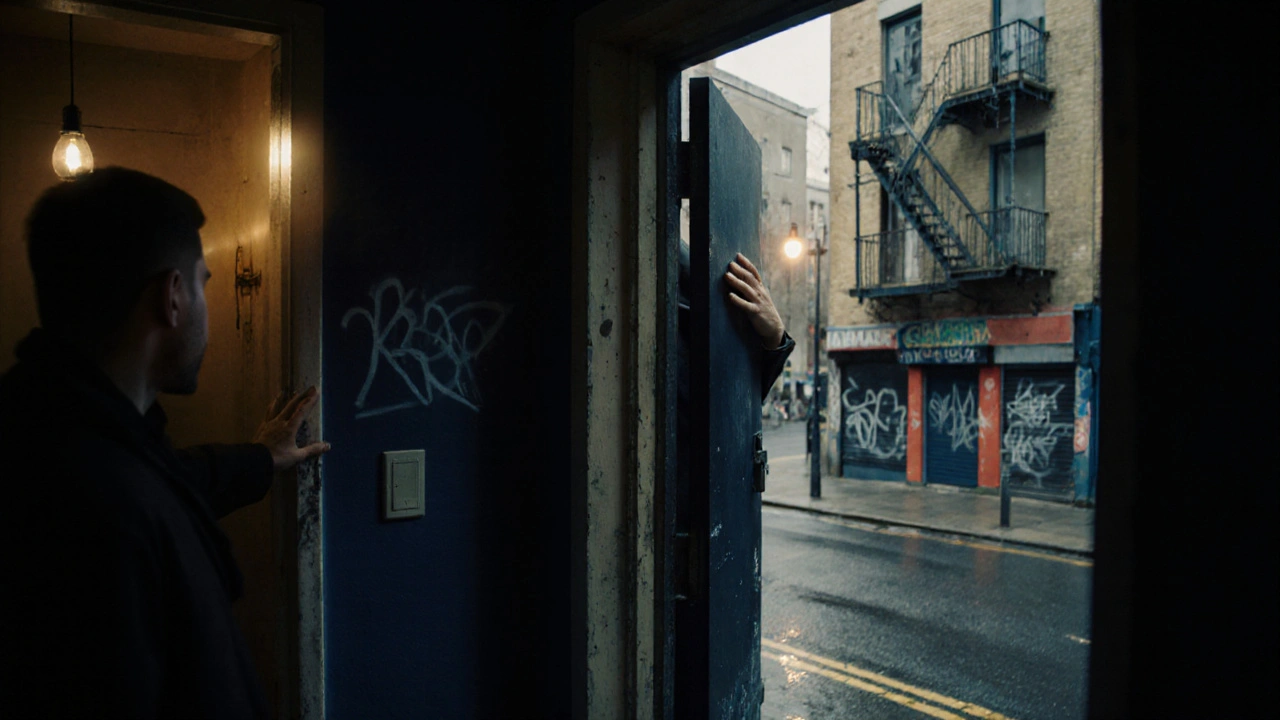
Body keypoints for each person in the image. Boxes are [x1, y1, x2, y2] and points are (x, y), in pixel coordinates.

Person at [0, 167, 330, 719]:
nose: (205, 306)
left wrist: (262, 457)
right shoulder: (102, 508)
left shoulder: (55, 426)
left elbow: (176, 478)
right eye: (203, 283)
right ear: (172, 297)